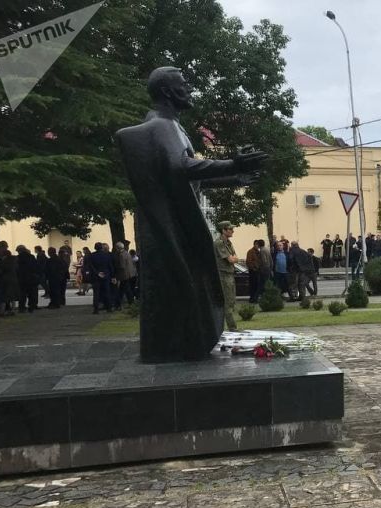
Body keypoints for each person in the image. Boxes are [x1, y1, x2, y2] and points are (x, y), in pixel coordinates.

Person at [115, 66, 267, 361]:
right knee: (184, 287)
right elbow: (180, 168)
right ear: (168, 92)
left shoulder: (173, 127)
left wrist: (234, 178)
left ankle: (181, 344)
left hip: (175, 224)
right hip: (170, 228)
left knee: (188, 288)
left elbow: (188, 177)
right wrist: (232, 164)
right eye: (184, 84)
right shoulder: (162, 126)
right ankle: (176, 346)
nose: (190, 89)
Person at [213, 221, 239, 332]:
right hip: (223, 275)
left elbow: (236, 258)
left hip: (230, 274)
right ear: (223, 230)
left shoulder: (228, 243)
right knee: (227, 302)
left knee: (232, 301)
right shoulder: (219, 243)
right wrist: (233, 259)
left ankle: (229, 327)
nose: (232, 231)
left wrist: (233, 259)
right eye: (230, 229)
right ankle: (232, 328)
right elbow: (231, 259)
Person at [87, 242, 114, 314]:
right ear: (101, 247)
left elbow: (91, 266)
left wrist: (97, 273)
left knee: (96, 293)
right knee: (107, 292)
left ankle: (96, 309)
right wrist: (112, 276)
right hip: (106, 275)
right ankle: (109, 308)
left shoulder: (92, 256)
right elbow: (110, 266)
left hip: (96, 276)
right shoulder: (107, 255)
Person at [112, 242, 137, 309]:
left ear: (117, 248)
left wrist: (116, 271)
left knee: (124, 290)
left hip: (124, 274)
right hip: (129, 274)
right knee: (124, 289)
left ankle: (120, 304)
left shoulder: (121, 255)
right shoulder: (126, 253)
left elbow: (122, 266)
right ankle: (121, 303)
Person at [15, 245, 39, 313]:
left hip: (22, 278)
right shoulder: (31, 257)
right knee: (31, 294)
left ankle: (22, 308)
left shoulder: (18, 258)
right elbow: (35, 266)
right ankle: (31, 307)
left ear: (19, 251)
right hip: (31, 277)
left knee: (22, 294)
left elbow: (17, 268)